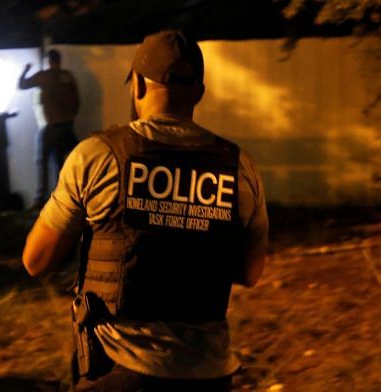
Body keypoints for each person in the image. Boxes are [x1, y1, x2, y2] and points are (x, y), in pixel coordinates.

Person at [22, 30, 268, 391]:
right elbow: (250, 272)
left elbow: (36, 260)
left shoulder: (98, 156)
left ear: (136, 85)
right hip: (208, 374)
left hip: (117, 370)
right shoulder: (239, 167)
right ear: (199, 92)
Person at [19, 49, 80, 208]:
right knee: (61, 163)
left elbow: (22, 85)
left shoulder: (43, 76)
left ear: (48, 61)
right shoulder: (67, 75)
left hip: (50, 126)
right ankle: (62, 199)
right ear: (59, 60)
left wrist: (25, 69)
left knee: (43, 161)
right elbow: (77, 100)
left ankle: (40, 198)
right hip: (67, 126)